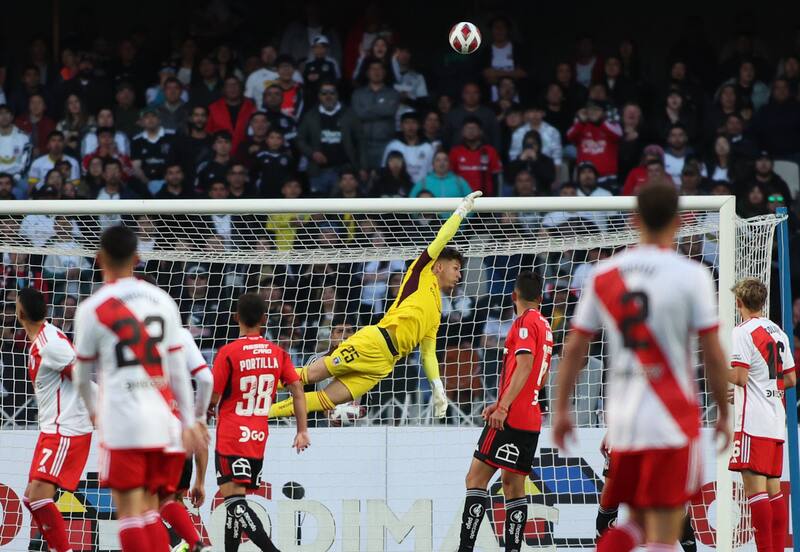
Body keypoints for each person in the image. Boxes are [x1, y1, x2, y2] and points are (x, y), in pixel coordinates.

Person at [553, 183, 730, 551]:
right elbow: (712, 354)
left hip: (624, 420)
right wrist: (724, 413)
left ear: (634, 220)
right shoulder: (692, 275)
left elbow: (573, 350)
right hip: (672, 416)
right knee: (665, 529)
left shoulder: (603, 274)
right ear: (680, 222)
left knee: (633, 523)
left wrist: (561, 410)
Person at [269, 191, 482, 419]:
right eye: (456, 268)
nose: (460, 275)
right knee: (311, 375)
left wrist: (437, 386)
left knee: (325, 400)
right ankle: (256, 382)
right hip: (374, 342)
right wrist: (460, 212)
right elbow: (441, 239)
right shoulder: (419, 274)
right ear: (439, 266)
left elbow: (428, 353)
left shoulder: (437, 310)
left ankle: (260, 414)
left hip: (383, 364)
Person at [73, 225, 204, 552]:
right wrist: (189, 422)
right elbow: (177, 369)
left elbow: (81, 374)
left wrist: (95, 413)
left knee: (130, 512)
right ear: (138, 257)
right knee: (151, 509)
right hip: (162, 418)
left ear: (99, 258)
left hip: (122, 419)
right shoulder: (162, 300)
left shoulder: (92, 308)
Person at [456, 271, 552, 552]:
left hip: (511, 417)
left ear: (514, 296)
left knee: (475, 479)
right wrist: (502, 400)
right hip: (531, 417)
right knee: (513, 486)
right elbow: (540, 376)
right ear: (540, 298)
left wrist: (504, 406)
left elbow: (524, 365)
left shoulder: (524, 323)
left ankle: (465, 549)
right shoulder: (545, 326)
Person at [210, 292, 309, 552]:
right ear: (264, 319)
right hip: (257, 436)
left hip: (231, 436)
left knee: (233, 502)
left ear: (236, 318)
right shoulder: (278, 353)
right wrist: (302, 430)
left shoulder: (228, 353)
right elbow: (298, 391)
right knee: (236, 500)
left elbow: (214, 395)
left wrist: (207, 408)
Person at [17, 287, 93, 552]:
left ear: (20, 313)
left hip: (66, 429)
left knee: (38, 496)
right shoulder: (42, 340)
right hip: (52, 428)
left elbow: (84, 380)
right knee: (30, 498)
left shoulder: (51, 345)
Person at [728, 278, 796, 552]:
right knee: (773, 491)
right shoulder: (779, 332)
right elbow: (790, 378)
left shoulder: (742, 331)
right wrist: (761, 388)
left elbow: (741, 377)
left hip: (753, 422)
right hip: (775, 419)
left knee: (755, 493)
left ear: (738, 303)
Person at [159, 328, 213, 552]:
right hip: (179, 433)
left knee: (141, 506)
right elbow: (206, 379)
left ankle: (190, 543)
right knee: (172, 500)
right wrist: (199, 481)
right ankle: (191, 543)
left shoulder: (132, 334)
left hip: (151, 432)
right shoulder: (181, 335)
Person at [297, 82, 364, 195]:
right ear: (319, 96)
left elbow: (360, 141)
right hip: (318, 172)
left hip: (344, 171)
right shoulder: (310, 116)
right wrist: (312, 153)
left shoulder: (350, 114)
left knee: (341, 209)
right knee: (318, 209)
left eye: (332, 93)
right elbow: (300, 140)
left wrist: (363, 167)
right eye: (324, 93)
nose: (328, 96)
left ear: (337, 95)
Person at [351, 59, 400, 172]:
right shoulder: (358, 94)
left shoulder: (392, 93)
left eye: (379, 69)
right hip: (362, 145)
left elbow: (390, 111)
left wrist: (367, 109)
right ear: (368, 73)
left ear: (384, 72)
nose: (376, 72)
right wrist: (380, 108)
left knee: (383, 177)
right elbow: (358, 114)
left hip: (385, 143)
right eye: (373, 69)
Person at [566, 100, 622, 184]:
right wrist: (581, 122)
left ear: (603, 112)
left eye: (597, 110)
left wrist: (601, 122)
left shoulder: (611, 124)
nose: (593, 112)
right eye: (590, 110)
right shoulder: (581, 125)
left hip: (607, 178)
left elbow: (619, 134)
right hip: (584, 179)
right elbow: (569, 136)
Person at [449, 117, 503, 196]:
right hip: (461, 198)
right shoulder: (455, 152)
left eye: (474, 128)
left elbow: (497, 177)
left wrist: (497, 198)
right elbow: (451, 177)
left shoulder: (490, 151)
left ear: (480, 131)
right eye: (468, 128)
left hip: (486, 199)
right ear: (462, 132)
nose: (471, 131)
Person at [131, 107, 177, 196]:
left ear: (159, 119)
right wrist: (149, 184)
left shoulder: (172, 136)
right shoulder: (136, 141)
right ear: (141, 122)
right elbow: (136, 167)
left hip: (172, 182)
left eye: (153, 116)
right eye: (146, 117)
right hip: (147, 184)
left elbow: (179, 160)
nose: (150, 119)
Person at [443, 82, 502, 151]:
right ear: (462, 95)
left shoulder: (488, 114)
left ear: (480, 95)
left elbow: (496, 137)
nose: (471, 96)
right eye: (468, 93)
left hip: (484, 156)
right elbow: (446, 138)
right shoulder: (453, 114)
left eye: (475, 93)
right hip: (458, 156)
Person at [381, 111, 435, 184]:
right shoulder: (393, 146)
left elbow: (431, 172)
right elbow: (385, 169)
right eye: (407, 123)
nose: (410, 126)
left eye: (414, 122)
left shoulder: (428, 147)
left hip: (422, 189)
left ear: (419, 126)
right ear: (401, 126)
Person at [206, 76, 257, 152]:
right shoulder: (213, 108)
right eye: (228, 85)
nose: (232, 88)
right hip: (221, 154)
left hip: (245, 153)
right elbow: (208, 132)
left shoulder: (251, 107)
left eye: (235, 85)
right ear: (223, 89)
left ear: (241, 88)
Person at [0, 104, 32, 197]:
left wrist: (17, 176)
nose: (4, 116)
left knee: (23, 189)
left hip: (17, 175)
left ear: (12, 116)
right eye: (1, 113)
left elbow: (27, 161)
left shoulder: (23, 137)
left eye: (7, 113)